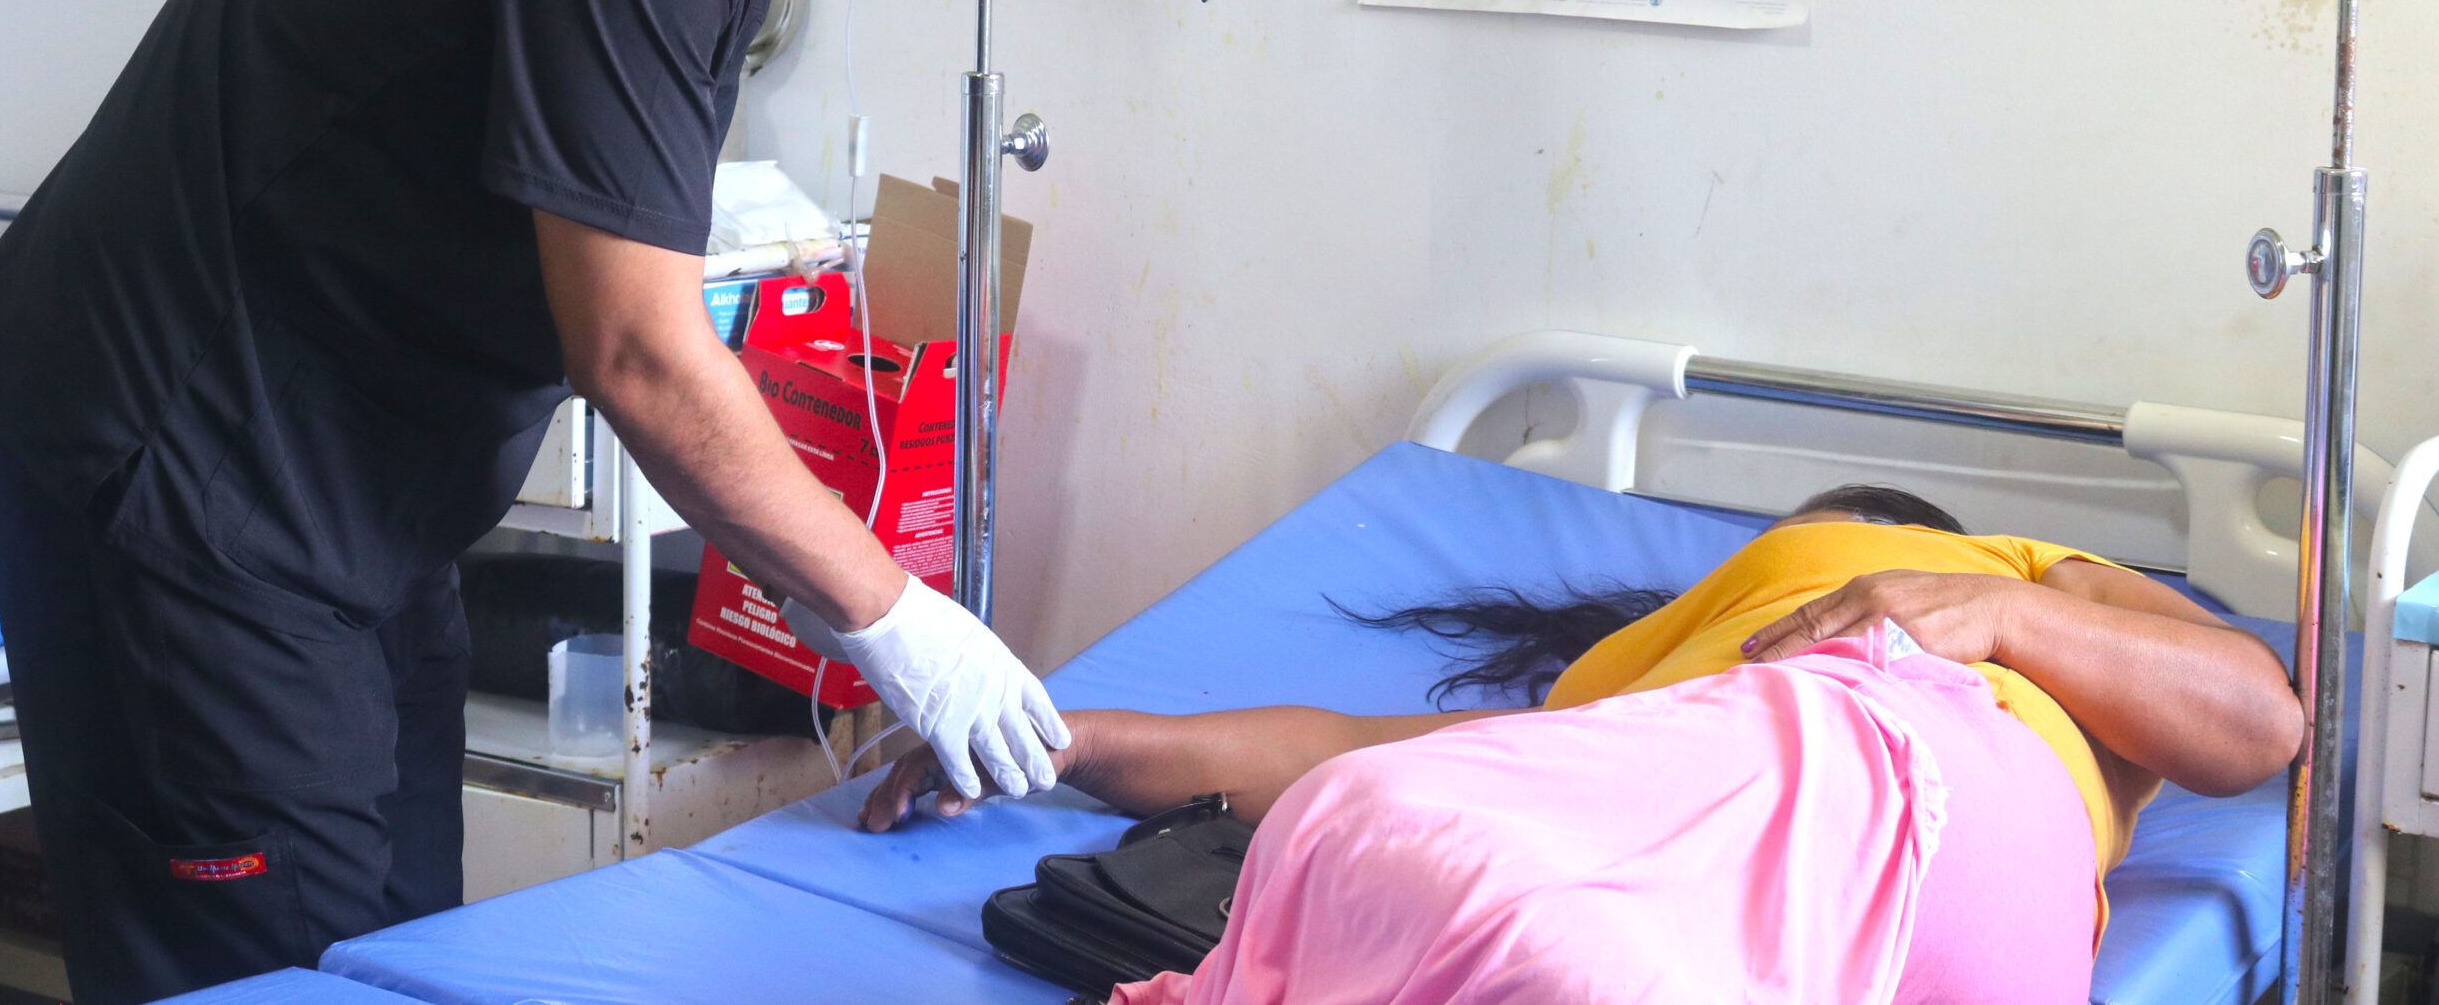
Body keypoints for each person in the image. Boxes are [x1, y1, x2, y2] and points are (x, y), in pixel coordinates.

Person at [0, 0, 1130, 1003]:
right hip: (191, 490)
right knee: (259, 975)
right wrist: (896, 622)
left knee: (398, 956)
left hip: (355, 506)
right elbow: (634, 351)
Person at [862, 485, 2305, 1003]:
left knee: (1378, 853)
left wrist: (1990, 606)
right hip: (1958, 918)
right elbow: (1331, 747)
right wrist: (1060, 739)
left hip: (1894, 769)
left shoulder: (1984, 578)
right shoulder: (1636, 684)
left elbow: (2261, 715)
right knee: (1374, 819)